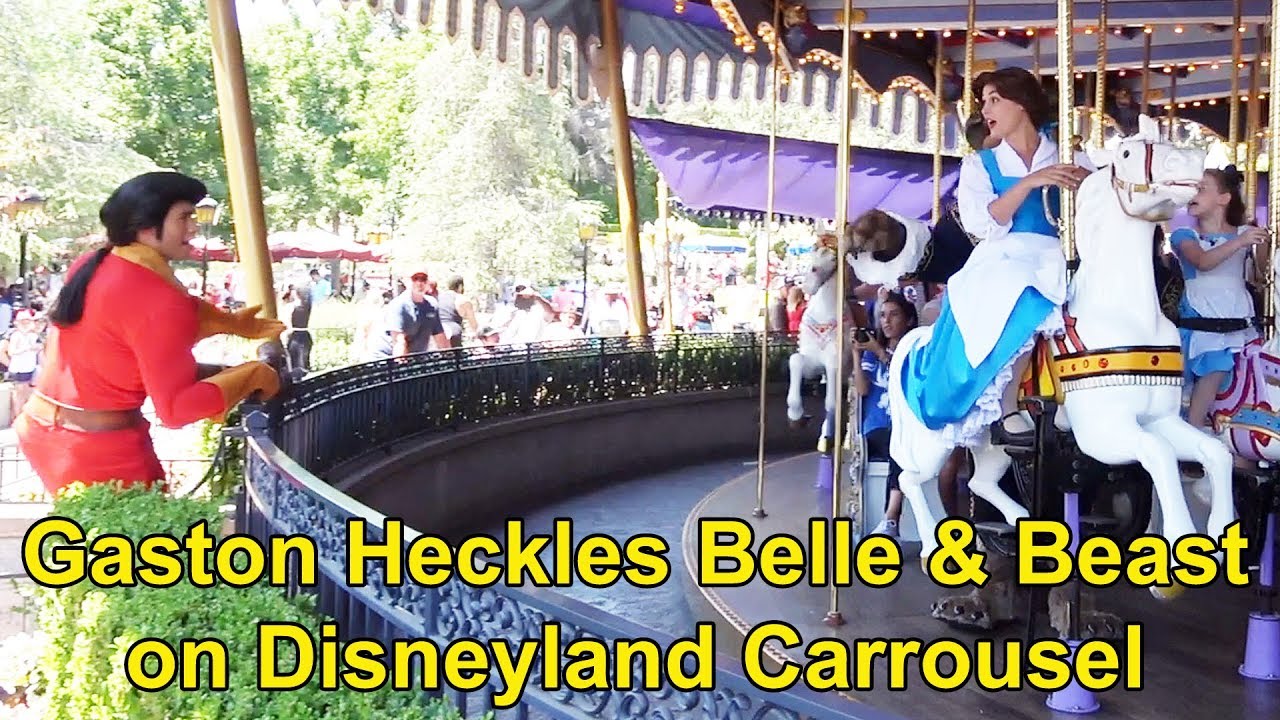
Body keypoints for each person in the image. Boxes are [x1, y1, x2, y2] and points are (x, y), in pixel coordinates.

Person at [15, 172, 285, 496]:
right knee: (151, 546)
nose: (194, 227)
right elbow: (176, 410)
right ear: (145, 226)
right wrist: (255, 374)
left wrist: (229, 328)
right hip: (95, 450)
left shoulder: (95, 262)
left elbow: (134, 346)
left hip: (45, 429)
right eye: (184, 217)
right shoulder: (158, 299)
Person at [900, 67, 1094, 447]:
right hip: (1007, 253)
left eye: (994, 100)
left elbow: (1099, 201)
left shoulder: (1068, 154)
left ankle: (1081, 387)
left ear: (1020, 104)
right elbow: (982, 224)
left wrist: (1089, 181)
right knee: (1020, 289)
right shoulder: (981, 164)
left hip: (1060, 249)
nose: (985, 110)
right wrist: (1027, 183)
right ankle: (1007, 404)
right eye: (983, 102)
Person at [1171, 165, 1266, 431]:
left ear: (1224, 198)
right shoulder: (1185, 236)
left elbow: (1262, 275)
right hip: (1203, 314)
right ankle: (1193, 431)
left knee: (1241, 375)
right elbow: (1202, 262)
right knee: (1213, 369)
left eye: (1200, 189)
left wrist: (1262, 246)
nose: (1193, 194)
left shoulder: (1245, 233)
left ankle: (1237, 433)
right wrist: (1241, 241)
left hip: (1236, 314)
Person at [854, 291, 919, 538]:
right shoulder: (873, 352)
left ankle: (890, 519)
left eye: (894, 315)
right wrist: (857, 353)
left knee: (900, 444)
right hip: (878, 428)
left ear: (909, 320)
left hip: (903, 428)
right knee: (897, 444)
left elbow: (908, 380)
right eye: (882, 315)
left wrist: (881, 352)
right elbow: (862, 389)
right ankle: (890, 519)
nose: (886, 321)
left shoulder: (914, 351)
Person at [371, 271, 449, 357]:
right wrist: (401, 363)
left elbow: (440, 336)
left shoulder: (432, 305)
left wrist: (450, 359)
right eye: (415, 279)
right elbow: (399, 341)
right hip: (387, 358)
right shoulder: (399, 305)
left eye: (423, 279)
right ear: (408, 282)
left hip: (416, 357)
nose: (419, 284)